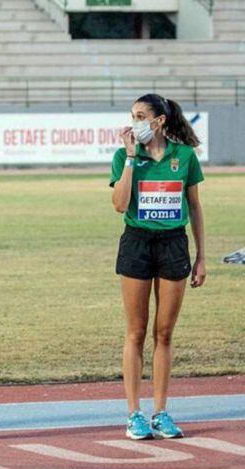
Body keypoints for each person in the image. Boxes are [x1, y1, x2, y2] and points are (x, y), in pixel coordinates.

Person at [110, 93, 206, 440]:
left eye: (139, 116)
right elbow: (120, 205)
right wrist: (132, 161)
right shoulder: (124, 155)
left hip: (173, 244)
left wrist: (201, 256)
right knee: (136, 331)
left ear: (159, 121)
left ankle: (161, 412)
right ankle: (134, 414)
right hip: (137, 243)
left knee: (164, 334)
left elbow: (195, 207)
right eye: (131, 115)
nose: (133, 122)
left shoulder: (184, 156)